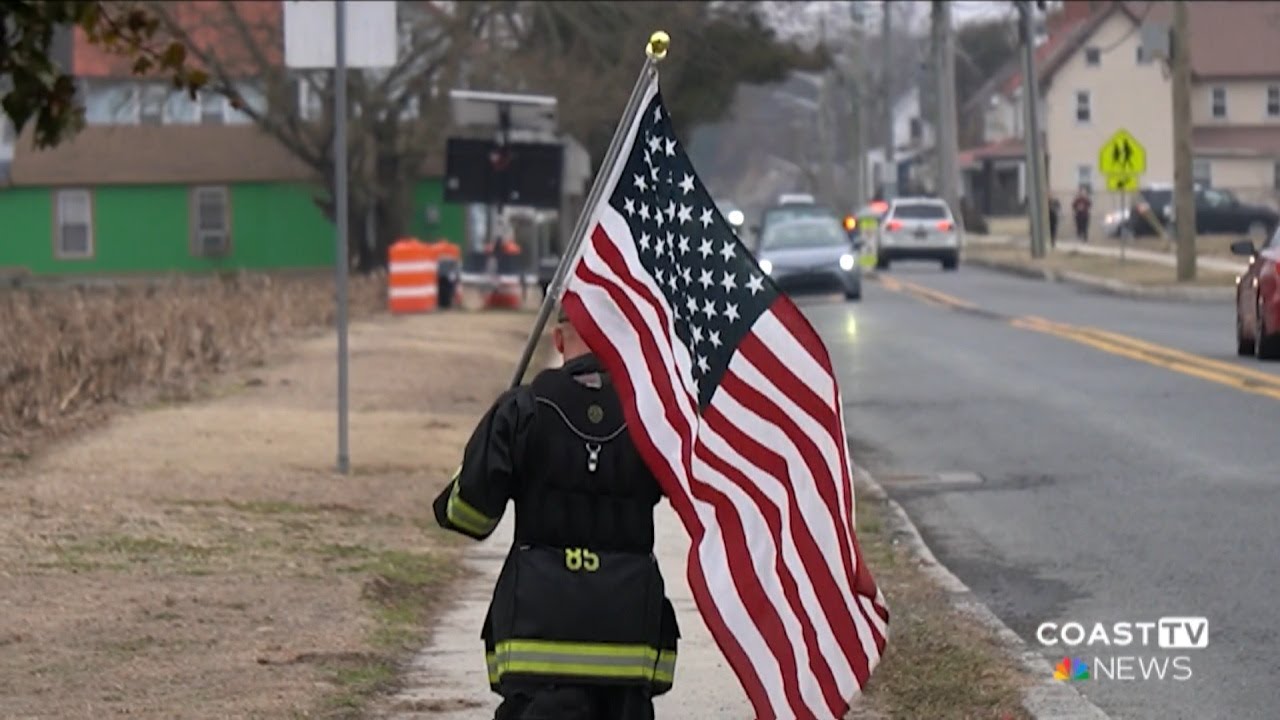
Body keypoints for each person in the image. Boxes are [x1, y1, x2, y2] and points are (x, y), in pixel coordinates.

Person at [433, 306, 679, 720]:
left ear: (560, 341)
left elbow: (469, 515)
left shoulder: (521, 409)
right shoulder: (650, 416)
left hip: (535, 642)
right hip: (629, 643)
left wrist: (473, 461)